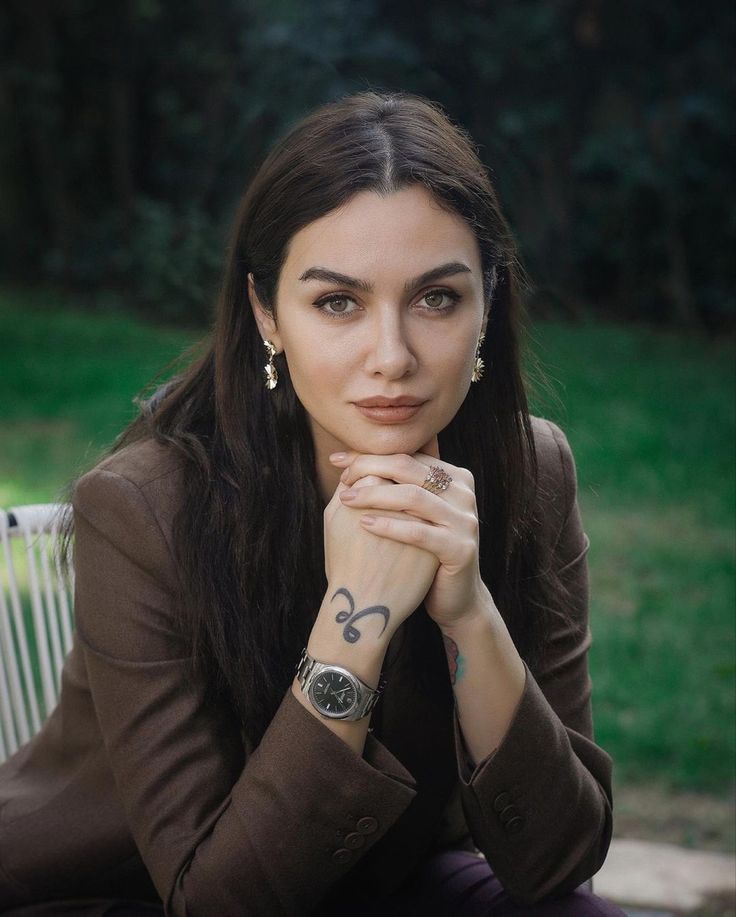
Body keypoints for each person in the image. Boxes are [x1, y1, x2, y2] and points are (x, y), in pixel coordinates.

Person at [0, 90, 626, 916]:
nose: (392, 357)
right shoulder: (143, 510)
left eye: (437, 298)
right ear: (268, 314)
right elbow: (218, 900)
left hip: (375, 876)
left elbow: (558, 858)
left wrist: (469, 611)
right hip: (121, 891)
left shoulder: (530, 471)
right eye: (338, 302)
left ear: (488, 304)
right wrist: (356, 615)